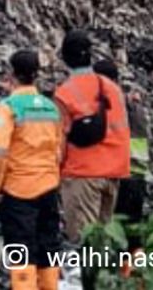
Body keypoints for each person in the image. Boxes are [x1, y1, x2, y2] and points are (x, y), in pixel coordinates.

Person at [0, 49, 63, 290]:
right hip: (49, 187)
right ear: (36, 75)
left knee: (21, 249)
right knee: (48, 245)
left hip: (19, 190)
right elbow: (58, 150)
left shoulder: (7, 107)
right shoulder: (51, 108)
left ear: (12, 75)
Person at [53, 31, 130, 244]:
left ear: (64, 57)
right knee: (105, 242)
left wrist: (53, 176)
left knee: (85, 242)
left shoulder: (65, 93)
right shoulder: (112, 89)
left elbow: (59, 142)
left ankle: (90, 278)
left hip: (83, 175)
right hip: (114, 173)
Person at [92, 58, 149, 252]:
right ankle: (135, 275)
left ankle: (110, 273)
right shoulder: (134, 107)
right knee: (133, 232)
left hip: (112, 177)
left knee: (107, 231)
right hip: (135, 175)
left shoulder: (98, 108)